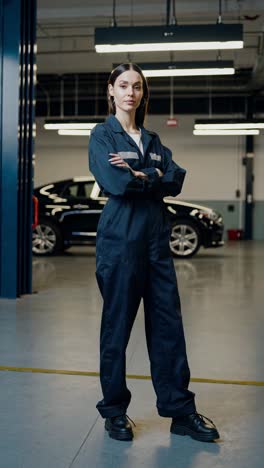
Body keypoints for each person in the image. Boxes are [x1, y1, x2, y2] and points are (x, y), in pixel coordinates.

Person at [88, 63, 220, 443]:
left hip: (156, 240)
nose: (131, 92)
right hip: (120, 240)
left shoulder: (153, 138)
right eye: (124, 85)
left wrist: (143, 175)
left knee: (168, 326)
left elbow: (176, 179)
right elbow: (115, 182)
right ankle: (114, 411)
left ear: (143, 94)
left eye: (138, 87)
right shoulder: (102, 136)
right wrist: (152, 177)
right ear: (111, 90)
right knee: (116, 329)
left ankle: (180, 411)